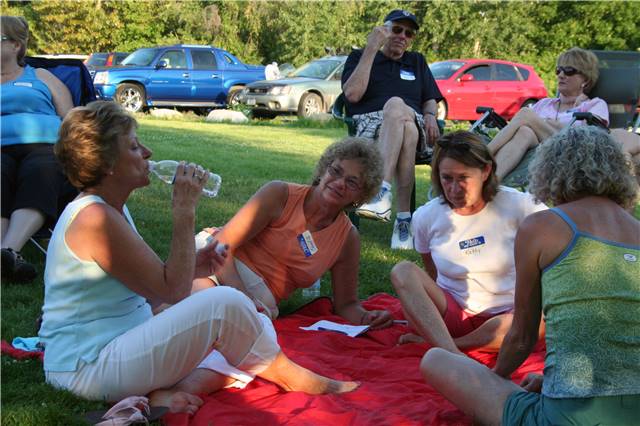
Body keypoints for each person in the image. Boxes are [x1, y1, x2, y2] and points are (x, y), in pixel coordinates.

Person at [38, 101, 357, 414]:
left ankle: (170, 392)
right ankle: (291, 376)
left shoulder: (110, 209)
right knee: (227, 304)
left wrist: (196, 266)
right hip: (86, 368)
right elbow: (171, 290)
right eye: (134, 147)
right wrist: (184, 210)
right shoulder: (96, 218)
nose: (147, 153)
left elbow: (153, 288)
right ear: (107, 163)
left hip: (118, 346)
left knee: (252, 322)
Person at [421, 126, 639, 425]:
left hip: (569, 415)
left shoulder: (542, 226)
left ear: (550, 171)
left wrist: (495, 381)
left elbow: (523, 336)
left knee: (436, 360)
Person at [193, 137, 393, 329]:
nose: (340, 182)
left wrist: (366, 317)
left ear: (361, 195)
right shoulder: (280, 195)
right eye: (336, 171)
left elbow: (346, 304)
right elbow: (220, 244)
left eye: (352, 182)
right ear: (323, 170)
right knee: (201, 308)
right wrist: (243, 298)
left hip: (257, 303)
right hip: (216, 264)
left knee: (218, 326)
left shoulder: (347, 238)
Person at [390, 131, 547, 354]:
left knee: (544, 317)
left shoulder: (521, 205)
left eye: (463, 178)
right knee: (402, 271)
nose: (454, 189)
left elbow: (563, 238)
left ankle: (450, 348)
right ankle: (451, 347)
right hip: (454, 314)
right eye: (447, 178)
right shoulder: (426, 216)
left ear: (485, 171)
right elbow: (431, 274)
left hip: (510, 316)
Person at [341, 9, 443, 250]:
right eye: (397, 29)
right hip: (370, 126)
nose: (403, 36)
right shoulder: (360, 56)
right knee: (404, 124)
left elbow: (430, 98)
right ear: (384, 30)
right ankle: (404, 221)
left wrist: (429, 114)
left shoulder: (416, 61)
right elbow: (353, 94)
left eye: (409, 33)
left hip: (416, 123)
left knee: (400, 110)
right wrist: (370, 49)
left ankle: (380, 194)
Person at [1, 16, 74, 282]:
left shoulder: (40, 76)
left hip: (45, 147)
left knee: (41, 170)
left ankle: (8, 251)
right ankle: (6, 257)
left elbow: (69, 115)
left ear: (16, 46)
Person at [487, 47, 610, 180]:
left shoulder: (595, 105)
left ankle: (483, 154)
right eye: (559, 70)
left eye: (569, 71)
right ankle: (492, 181)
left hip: (571, 153)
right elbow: (527, 126)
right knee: (524, 132)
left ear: (585, 80)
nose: (561, 75)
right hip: (540, 149)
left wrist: (542, 123)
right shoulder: (545, 103)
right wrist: (547, 124)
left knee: (525, 114)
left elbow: (590, 137)